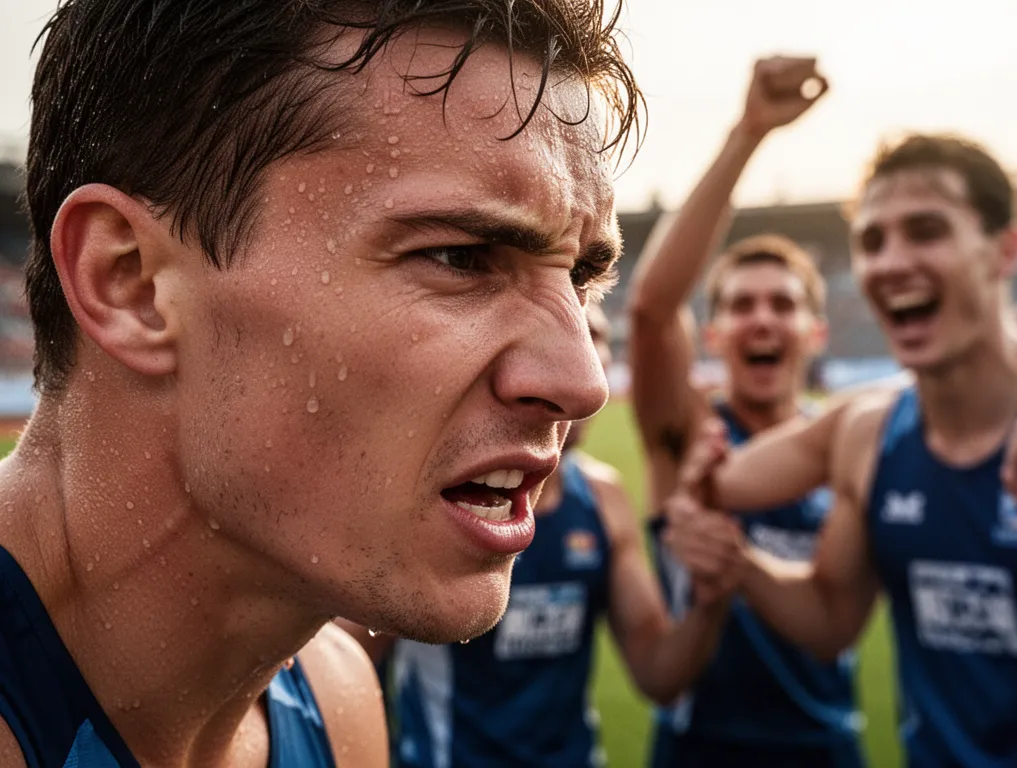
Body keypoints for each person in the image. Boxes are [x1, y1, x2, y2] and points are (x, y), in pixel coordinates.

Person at [0, 1, 644, 766]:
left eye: (582, 277)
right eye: (460, 258)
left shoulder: (338, 701)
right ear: (131, 281)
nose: (583, 381)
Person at [670, 133, 1017, 768]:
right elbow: (831, 620)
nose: (891, 263)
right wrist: (735, 560)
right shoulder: (870, 432)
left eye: (926, 231)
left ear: (1006, 249)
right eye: (872, 241)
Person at [339, 304, 747, 768]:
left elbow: (658, 674)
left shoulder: (602, 498)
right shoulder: (437, 500)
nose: (582, 352)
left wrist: (709, 600)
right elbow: (338, 663)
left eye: (595, 334)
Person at [627, 56, 865, 768]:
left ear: (816, 334)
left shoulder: (852, 441)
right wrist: (748, 132)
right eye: (741, 304)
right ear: (715, 335)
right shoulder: (686, 433)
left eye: (784, 304)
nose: (763, 318)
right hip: (700, 746)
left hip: (825, 743)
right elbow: (651, 308)